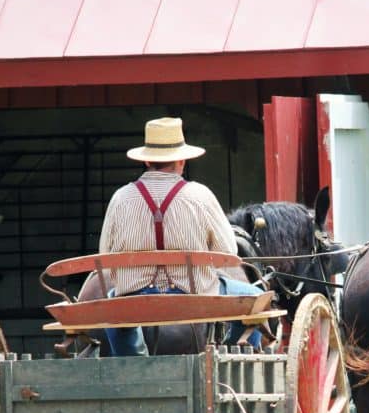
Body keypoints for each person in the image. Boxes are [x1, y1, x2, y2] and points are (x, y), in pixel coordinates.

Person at [98, 117, 261, 356]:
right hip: (195, 294)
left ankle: (131, 362)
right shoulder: (200, 195)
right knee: (256, 298)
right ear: (182, 160)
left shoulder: (120, 198)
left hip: (134, 298)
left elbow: (105, 254)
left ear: (146, 160)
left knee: (113, 305)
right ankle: (233, 354)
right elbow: (228, 251)